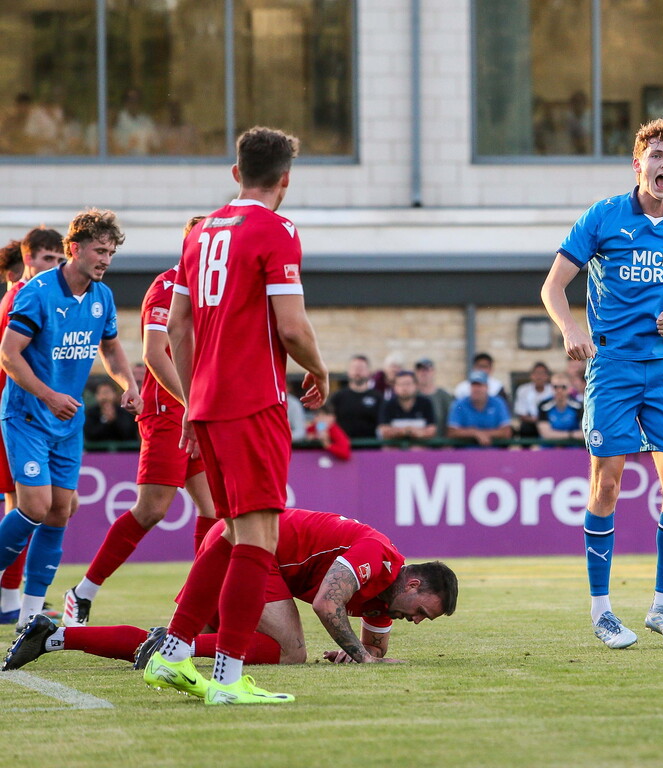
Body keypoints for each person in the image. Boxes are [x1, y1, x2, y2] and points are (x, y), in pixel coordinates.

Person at [144, 126, 330, 706]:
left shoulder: (200, 234)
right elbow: (292, 326)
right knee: (259, 537)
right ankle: (226, 679)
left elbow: (178, 328)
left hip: (207, 404)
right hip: (255, 402)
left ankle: (174, 653)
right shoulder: (277, 229)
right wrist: (322, 371)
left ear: (235, 173)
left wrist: (193, 401)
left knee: (228, 531)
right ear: (285, 180)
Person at [541, 117, 663, 650]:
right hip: (613, 368)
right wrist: (572, 328)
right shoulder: (604, 216)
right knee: (608, 485)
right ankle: (602, 612)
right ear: (637, 163)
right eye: (656, 155)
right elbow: (553, 287)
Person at [4, 508, 458, 673]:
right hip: (251, 546)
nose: (416, 621)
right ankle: (171, 643)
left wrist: (358, 651)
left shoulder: (385, 601)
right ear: (413, 583)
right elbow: (327, 604)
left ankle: (55, 636)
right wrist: (358, 656)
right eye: (423, 611)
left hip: (233, 537)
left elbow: (375, 651)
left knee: (177, 644)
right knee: (288, 652)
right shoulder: (378, 556)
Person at [61, 217, 217, 628]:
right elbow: (154, 353)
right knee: (152, 509)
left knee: (214, 510)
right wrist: (192, 403)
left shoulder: (216, 290)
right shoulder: (167, 286)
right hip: (169, 410)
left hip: (198, 411)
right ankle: (82, 592)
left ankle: (201, 608)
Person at [0, 210, 142, 632]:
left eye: (111, 253)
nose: (106, 260)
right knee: (35, 506)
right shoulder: (38, 291)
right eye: (100, 251)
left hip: (67, 423)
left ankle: (28, 615)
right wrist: (48, 394)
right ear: (74, 249)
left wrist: (128, 385)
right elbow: (9, 353)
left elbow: (112, 350)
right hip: (28, 414)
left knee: (60, 511)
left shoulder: (103, 297)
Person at [0, 229, 65, 624]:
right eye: (46, 259)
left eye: (58, 261)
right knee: (26, 508)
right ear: (27, 260)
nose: (53, 268)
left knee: (38, 507)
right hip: (20, 415)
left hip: (35, 416)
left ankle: (14, 600)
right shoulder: (22, 297)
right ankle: (11, 601)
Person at [447, 371, 512, 447]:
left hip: (494, 453)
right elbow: (451, 432)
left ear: (487, 387)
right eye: (473, 385)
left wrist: (482, 434)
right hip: (465, 454)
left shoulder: (498, 403)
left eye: (480, 385)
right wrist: (475, 433)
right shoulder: (459, 405)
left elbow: (506, 431)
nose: (476, 389)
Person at [330, 354, 382, 439]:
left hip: (371, 449)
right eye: (354, 368)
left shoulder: (378, 398)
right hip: (344, 449)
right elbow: (323, 420)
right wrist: (320, 430)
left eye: (361, 368)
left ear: (369, 372)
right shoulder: (337, 397)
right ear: (348, 371)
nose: (358, 372)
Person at [377, 369, 436, 444]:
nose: (404, 388)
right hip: (394, 450)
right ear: (395, 387)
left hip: (420, 450)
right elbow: (383, 430)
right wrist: (405, 432)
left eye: (408, 384)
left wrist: (419, 433)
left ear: (416, 386)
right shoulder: (387, 405)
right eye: (401, 384)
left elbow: (432, 430)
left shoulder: (426, 403)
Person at [536, 371, 583, 442]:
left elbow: (583, 434)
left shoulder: (578, 406)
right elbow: (546, 434)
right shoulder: (543, 406)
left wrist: (556, 435)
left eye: (563, 387)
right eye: (555, 387)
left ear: (570, 388)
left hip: (572, 447)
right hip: (549, 447)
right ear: (551, 388)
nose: (559, 390)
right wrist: (571, 435)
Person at [113, 88, 159, 156]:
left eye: (137, 100)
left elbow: (156, 146)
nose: (134, 103)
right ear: (125, 102)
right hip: (123, 163)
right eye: (130, 99)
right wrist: (130, 146)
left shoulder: (147, 121)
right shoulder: (117, 120)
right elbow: (113, 149)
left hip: (144, 163)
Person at [514, 361, 554, 438]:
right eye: (536, 373)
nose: (539, 377)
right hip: (530, 423)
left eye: (542, 373)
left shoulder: (552, 390)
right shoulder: (523, 390)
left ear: (547, 376)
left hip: (550, 422)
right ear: (531, 375)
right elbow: (521, 414)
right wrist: (537, 420)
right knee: (525, 428)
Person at [414, 358, 453, 436]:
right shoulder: (412, 396)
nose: (423, 373)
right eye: (420, 370)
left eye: (426, 370)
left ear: (433, 372)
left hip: (440, 444)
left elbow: (451, 422)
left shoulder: (444, 396)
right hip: (417, 445)